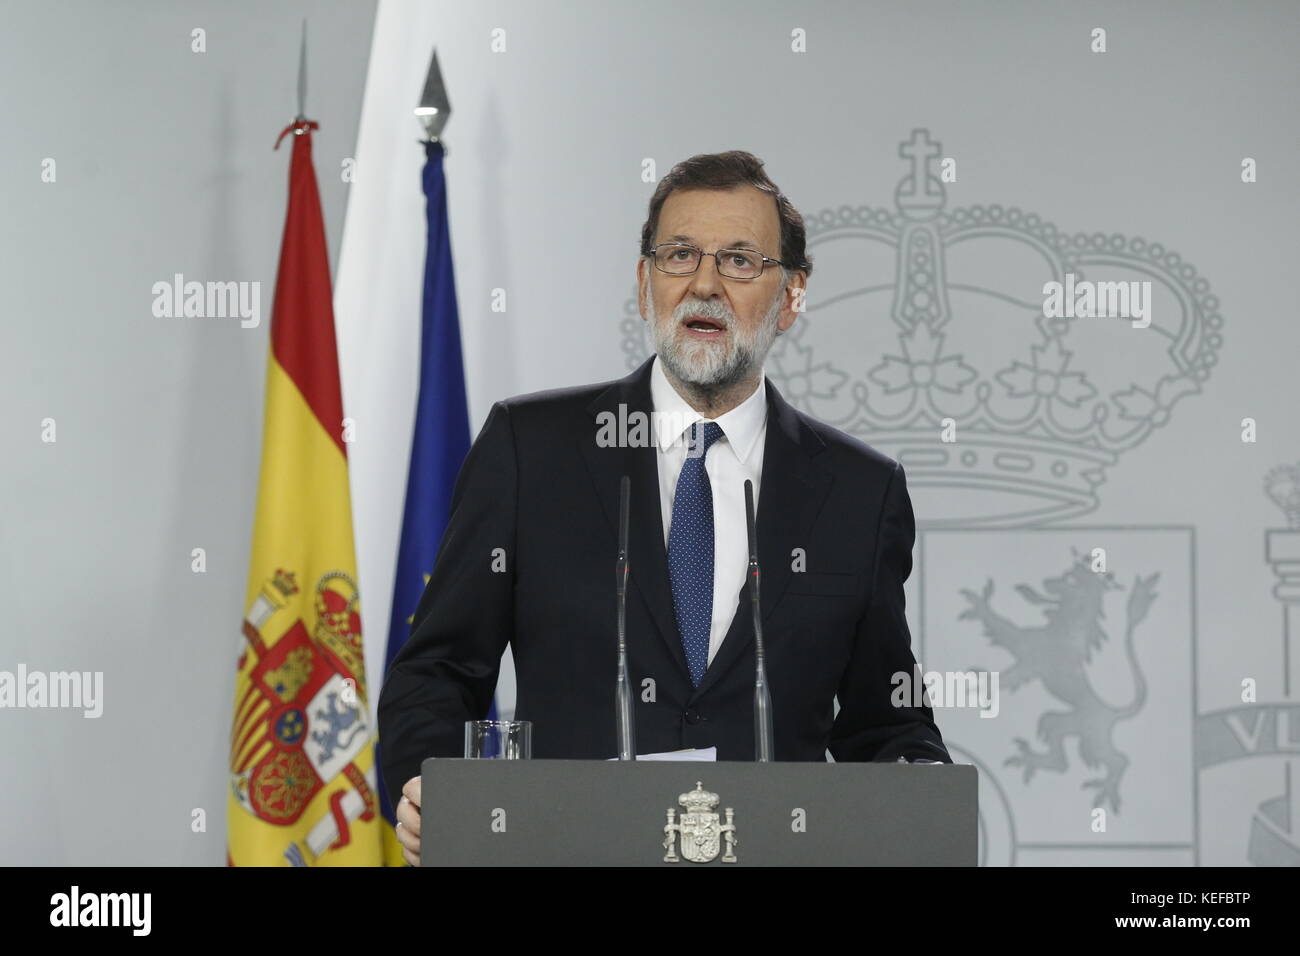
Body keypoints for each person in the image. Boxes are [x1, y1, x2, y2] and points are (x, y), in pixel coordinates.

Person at [378, 151, 950, 866]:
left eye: (741, 260)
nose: (704, 284)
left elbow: (883, 721)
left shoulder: (860, 493)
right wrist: (427, 783)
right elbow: (438, 671)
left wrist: (921, 789)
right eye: (680, 255)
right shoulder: (532, 451)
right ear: (644, 284)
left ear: (793, 294)